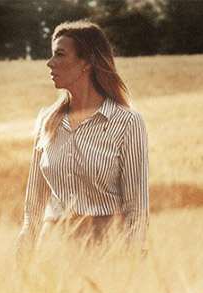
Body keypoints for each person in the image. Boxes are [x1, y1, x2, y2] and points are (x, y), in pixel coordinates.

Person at [15, 20, 149, 256]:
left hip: (107, 250)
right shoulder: (47, 121)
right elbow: (33, 208)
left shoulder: (127, 123)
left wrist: (132, 258)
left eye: (60, 55)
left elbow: (137, 209)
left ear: (86, 61)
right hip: (52, 251)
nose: (50, 63)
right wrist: (24, 252)